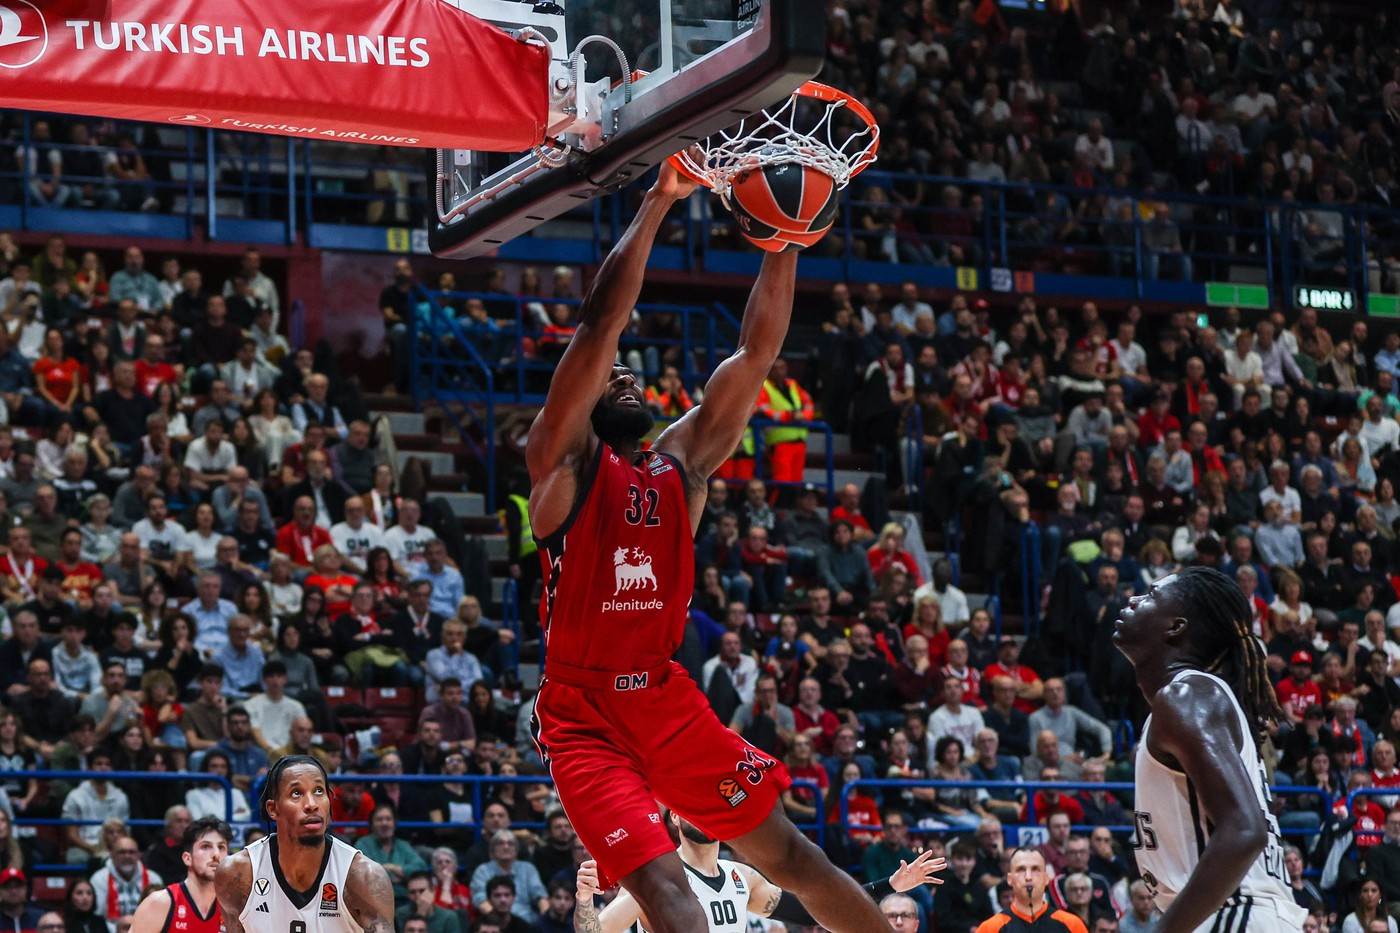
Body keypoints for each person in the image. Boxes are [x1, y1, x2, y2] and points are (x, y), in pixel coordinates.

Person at [524, 164, 884, 933]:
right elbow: (599, 326)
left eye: (631, 377)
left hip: (660, 693)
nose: (622, 374)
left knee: (793, 859)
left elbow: (754, 354)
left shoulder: (680, 465)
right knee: (668, 896)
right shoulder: (562, 463)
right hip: (582, 718)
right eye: (609, 378)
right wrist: (658, 200)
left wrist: (786, 240)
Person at [1113, 567, 1309, 931]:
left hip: (1235, 912)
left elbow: (1245, 830)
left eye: (1151, 596)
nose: (1133, 600)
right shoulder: (1190, 699)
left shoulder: (1187, 696)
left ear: (1175, 627)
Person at [572, 808, 944, 931]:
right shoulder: (656, 877)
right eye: (689, 806)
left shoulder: (741, 877)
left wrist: (890, 883)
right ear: (674, 817)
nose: (701, 813)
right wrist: (585, 901)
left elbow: (808, 907)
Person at [213, 755, 394, 932]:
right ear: (273, 809)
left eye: (318, 791)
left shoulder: (364, 878)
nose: (311, 804)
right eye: (296, 793)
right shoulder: (238, 874)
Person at [128, 817, 230, 933]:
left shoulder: (234, 908)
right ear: (187, 858)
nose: (216, 854)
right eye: (205, 846)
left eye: (221, 847)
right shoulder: (159, 904)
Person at [974, 847, 1087, 932]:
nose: (1028, 877)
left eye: (1035, 869)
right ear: (1010, 879)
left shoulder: (1072, 925)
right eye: (1021, 869)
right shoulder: (990, 929)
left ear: (1046, 878)